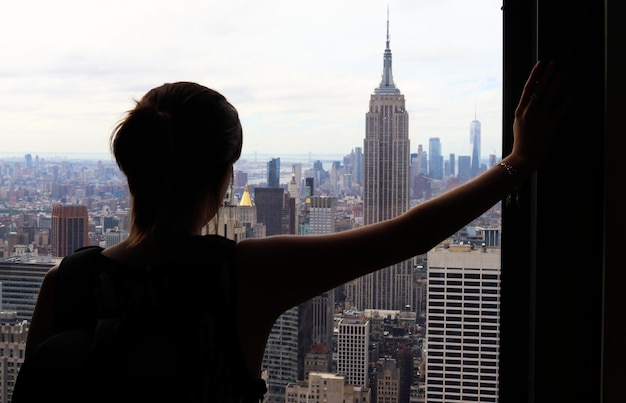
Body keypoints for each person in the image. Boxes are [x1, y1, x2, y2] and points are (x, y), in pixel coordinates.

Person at [21, 60, 568, 402]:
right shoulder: (241, 276)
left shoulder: (64, 283)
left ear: (131, 170)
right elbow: (407, 236)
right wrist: (517, 162)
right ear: (224, 179)